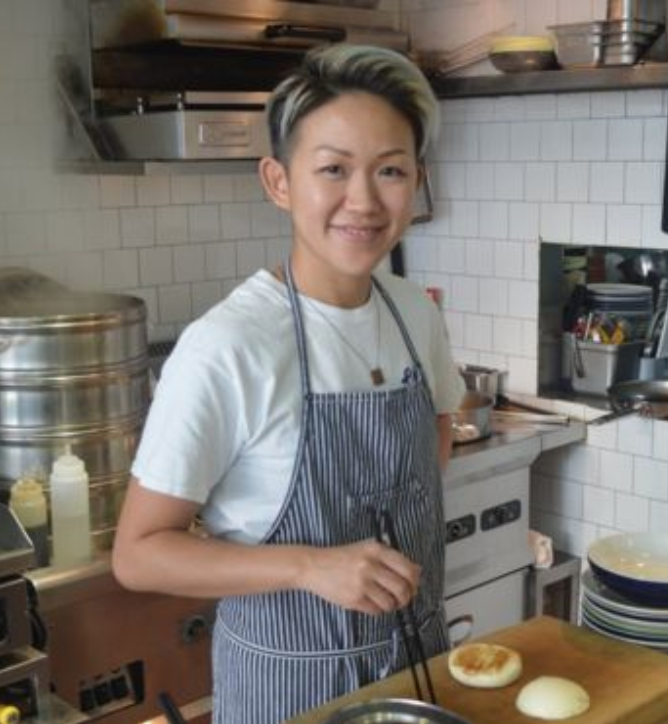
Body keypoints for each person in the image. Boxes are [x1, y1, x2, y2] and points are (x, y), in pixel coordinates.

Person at [112, 44, 465, 724]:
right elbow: (139, 555)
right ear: (278, 181)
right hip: (287, 691)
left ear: (416, 180)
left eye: (390, 171)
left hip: (417, 665)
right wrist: (310, 567)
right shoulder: (228, 346)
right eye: (333, 169)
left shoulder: (413, 312)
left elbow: (440, 426)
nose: (362, 201)